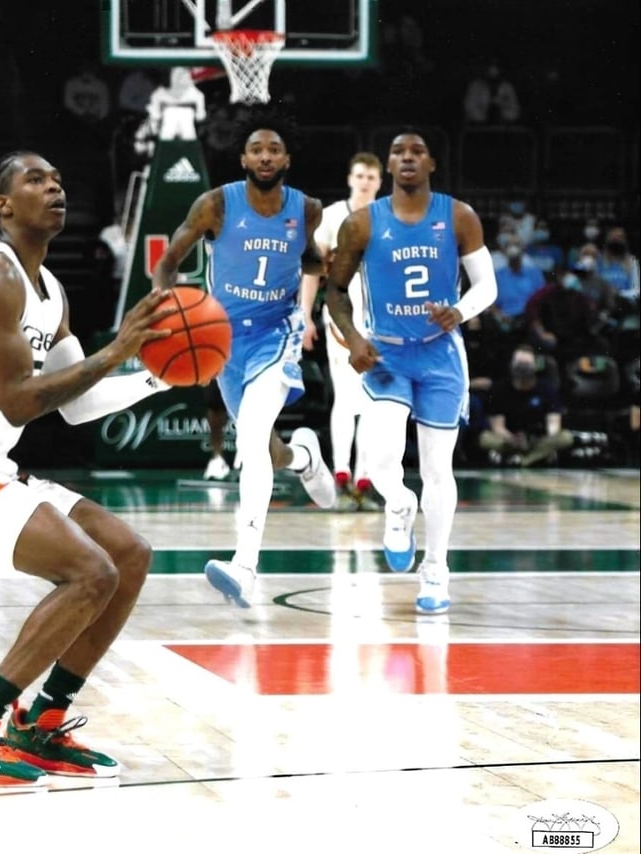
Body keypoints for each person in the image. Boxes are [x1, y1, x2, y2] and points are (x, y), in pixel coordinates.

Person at [0, 150, 176, 787]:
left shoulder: (52, 291)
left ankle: (41, 721)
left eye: (58, 178)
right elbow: (21, 398)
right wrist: (116, 351)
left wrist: (158, 376)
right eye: (36, 180)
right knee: (88, 572)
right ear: (3, 205)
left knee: (127, 554)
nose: (55, 187)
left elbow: (78, 408)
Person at [151, 112, 337, 607]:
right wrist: (162, 304)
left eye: (274, 149)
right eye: (257, 149)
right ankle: (303, 456)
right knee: (266, 448)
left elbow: (311, 258)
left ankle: (245, 566)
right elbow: (169, 260)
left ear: (286, 159)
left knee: (250, 439)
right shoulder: (215, 204)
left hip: (277, 333)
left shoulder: (307, 208)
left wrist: (325, 270)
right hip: (223, 340)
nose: (266, 156)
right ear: (244, 159)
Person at [325, 129, 498, 615]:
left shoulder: (458, 215)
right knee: (381, 461)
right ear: (389, 165)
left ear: (431, 164)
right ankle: (399, 505)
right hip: (386, 354)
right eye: (398, 152)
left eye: (416, 151)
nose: (407, 157)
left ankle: (436, 571)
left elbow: (487, 285)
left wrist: (460, 311)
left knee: (438, 469)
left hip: (441, 354)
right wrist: (355, 339)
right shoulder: (361, 223)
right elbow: (335, 292)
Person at [300, 151, 384, 509]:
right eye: (360, 176)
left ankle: (363, 478)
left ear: (379, 183)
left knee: (371, 402)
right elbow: (311, 269)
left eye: (371, 177)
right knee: (347, 398)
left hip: (381, 320)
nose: (365, 182)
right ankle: (341, 471)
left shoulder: (388, 217)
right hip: (343, 318)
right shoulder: (333, 216)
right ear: (351, 179)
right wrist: (305, 315)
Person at [478, 344, 573, 467]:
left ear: (535, 366)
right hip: (509, 439)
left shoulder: (547, 389)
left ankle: (523, 461)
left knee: (566, 437)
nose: (522, 368)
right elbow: (498, 427)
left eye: (526, 364)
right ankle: (532, 457)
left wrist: (546, 441)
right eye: (519, 364)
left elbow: (554, 426)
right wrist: (513, 439)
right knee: (484, 438)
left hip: (538, 440)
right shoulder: (499, 389)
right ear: (511, 365)